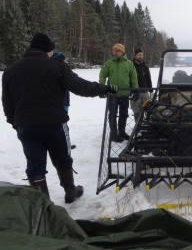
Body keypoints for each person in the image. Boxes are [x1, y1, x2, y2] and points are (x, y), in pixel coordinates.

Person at [1, 33, 117, 202]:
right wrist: (104, 89)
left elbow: (7, 102)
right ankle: (70, 191)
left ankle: (43, 205)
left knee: (35, 166)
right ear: (48, 50)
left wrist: (15, 122)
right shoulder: (56, 66)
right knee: (63, 159)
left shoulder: (10, 71)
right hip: (54, 125)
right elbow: (80, 86)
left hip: (26, 127)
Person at [99, 43, 138, 142]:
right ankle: (113, 134)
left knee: (124, 114)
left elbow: (133, 77)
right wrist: (102, 88)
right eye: (114, 50)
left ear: (122, 51)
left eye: (117, 50)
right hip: (112, 95)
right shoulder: (109, 63)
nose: (115, 52)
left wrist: (135, 90)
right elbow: (102, 75)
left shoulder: (129, 63)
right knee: (112, 114)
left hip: (125, 94)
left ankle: (122, 132)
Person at [52, 52, 76, 150]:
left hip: (62, 101)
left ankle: (61, 144)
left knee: (59, 124)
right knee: (62, 124)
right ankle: (64, 145)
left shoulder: (54, 66)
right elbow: (74, 78)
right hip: (62, 102)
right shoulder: (62, 67)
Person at [131, 48, 152, 121]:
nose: (140, 56)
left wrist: (151, 89)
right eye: (139, 55)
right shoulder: (131, 66)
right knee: (136, 110)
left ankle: (148, 123)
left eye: (142, 55)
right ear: (135, 56)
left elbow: (148, 78)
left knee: (149, 108)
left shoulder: (145, 66)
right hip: (135, 92)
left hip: (145, 91)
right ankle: (138, 126)